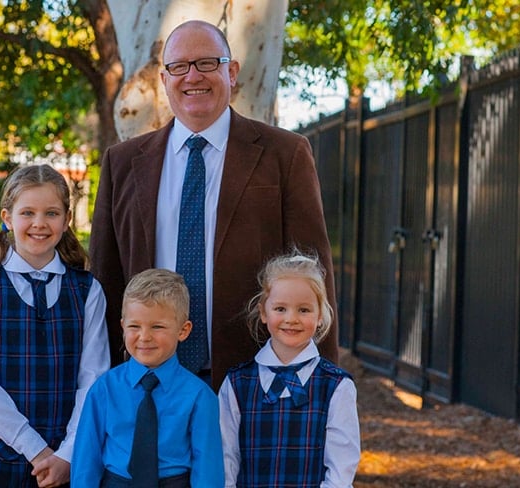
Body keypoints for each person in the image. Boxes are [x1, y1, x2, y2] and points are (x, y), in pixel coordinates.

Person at [89, 19, 338, 389]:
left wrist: (324, 386)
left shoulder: (284, 155)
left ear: (232, 72)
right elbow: (105, 282)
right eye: (179, 66)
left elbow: (314, 276)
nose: (193, 76)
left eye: (207, 63)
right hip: (148, 383)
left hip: (254, 383)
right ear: (163, 78)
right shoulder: (123, 163)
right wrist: (104, 386)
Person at [0, 164, 110, 488]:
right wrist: (36, 450)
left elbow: (94, 379)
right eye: (27, 212)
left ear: (67, 220)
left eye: (51, 213)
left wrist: (67, 455)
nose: (39, 224)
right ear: (7, 217)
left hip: (67, 460)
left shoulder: (87, 290)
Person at [218, 249, 360, 487]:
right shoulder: (236, 383)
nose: (291, 318)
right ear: (264, 312)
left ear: (320, 316)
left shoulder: (336, 386)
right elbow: (226, 457)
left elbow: (340, 468)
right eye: (280, 309)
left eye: (304, 310)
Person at [71, 268, 224, 487]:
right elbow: (86, 458)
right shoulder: (104, 388)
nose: (144, 337)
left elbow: (208, 470)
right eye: (134, 326)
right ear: (123, 326)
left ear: (183, 330)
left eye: (157, 327)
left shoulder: (200, 396)